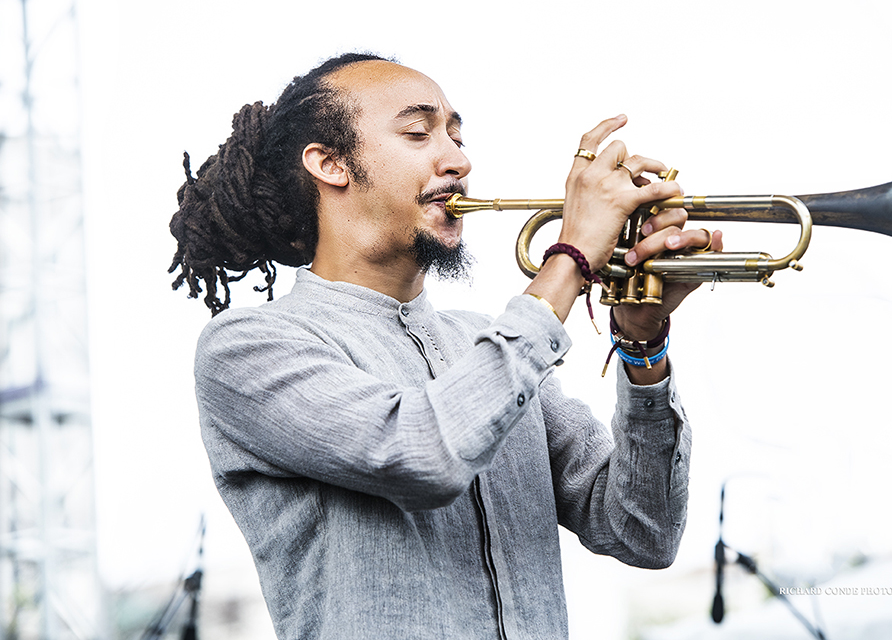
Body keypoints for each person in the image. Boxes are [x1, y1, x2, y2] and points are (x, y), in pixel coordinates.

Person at [169, 52, 723, 639]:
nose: (459, 160)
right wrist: (572, 258)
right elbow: (424, 453)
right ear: (330, 164)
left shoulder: (489, 344)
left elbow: (642, 531)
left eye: (457, 137)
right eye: (418, 132)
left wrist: (643, 344)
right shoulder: (248, 348)